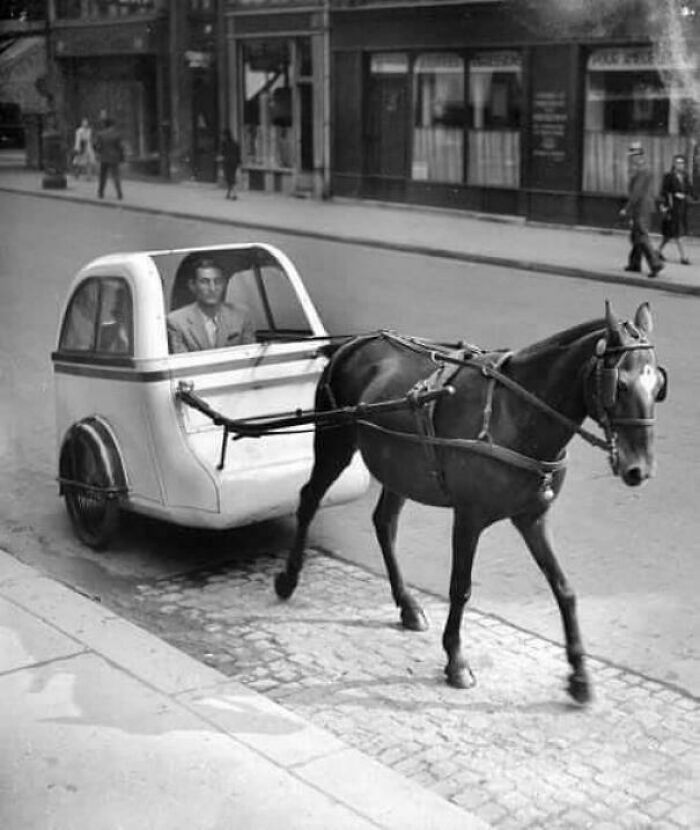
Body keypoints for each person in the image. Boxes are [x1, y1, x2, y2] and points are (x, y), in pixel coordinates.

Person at [166, 258, 256, 353]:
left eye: (217, 282)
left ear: (224, 284)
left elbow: (249, 357)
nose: (212, 288)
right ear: (192, 285)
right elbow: (182, 364)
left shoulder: (241, 315)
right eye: (204, 282)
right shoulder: (176, 321)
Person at [619, 142, 664, 278]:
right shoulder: (640, 169)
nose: (631, 158)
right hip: (642, 206)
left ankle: (655, 263)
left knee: (642, 236)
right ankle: (634, 264)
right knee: (635, 236)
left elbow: (636, 193)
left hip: (641, 207)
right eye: (631, 155)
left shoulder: (642, 170)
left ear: (639, 156)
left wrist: (626, 209)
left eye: (634, 155)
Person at [658, 154, 695, 265]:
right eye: (678, 163)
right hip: (672, 207)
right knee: (678, 233)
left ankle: (657, 251)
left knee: (669, 235)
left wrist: (686, 195)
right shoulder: (669, 176)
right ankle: (683, 257)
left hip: (682, 207)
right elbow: (663, 191)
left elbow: (689, 190)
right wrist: (674, 195)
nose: (680, 165)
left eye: (682, 163)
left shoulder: (685, 176)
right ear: (674, 164)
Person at [94, 116, 125, 200]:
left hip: (104, 157)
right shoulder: (117, 134)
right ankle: (119, 193)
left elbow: (97, 146)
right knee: (116, 175)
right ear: (112, 125)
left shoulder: (100, 134)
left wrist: (99, 152)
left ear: (105, 125)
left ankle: (100, 192)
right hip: (114, 157)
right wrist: (122, 157)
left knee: (102, 176)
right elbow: (121, 147)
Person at [220, 128, 241, 200]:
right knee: (230, 178)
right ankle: (228, 193)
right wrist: (238, 162)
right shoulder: (235, 143)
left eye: (223, 135)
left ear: (226, 136)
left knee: (230, 178)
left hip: (228, 162)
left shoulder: (225, 144)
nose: (222, 137)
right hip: (234, 162)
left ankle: (234, 194)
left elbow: (223, 153)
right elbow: (238, 153)